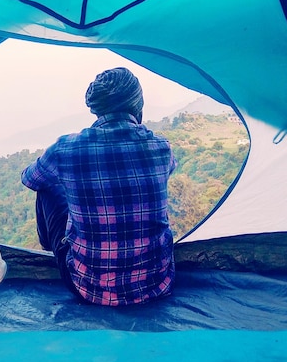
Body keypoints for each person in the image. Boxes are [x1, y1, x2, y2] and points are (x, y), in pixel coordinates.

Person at [21, 67, 177, 306]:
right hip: (157, 284)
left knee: (48, 189)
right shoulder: (161, 148)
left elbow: (30, 179)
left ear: (96, 108)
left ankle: (52, 253)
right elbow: (168, 169)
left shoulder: (65, 149)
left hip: (89, 289)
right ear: (138, 104)